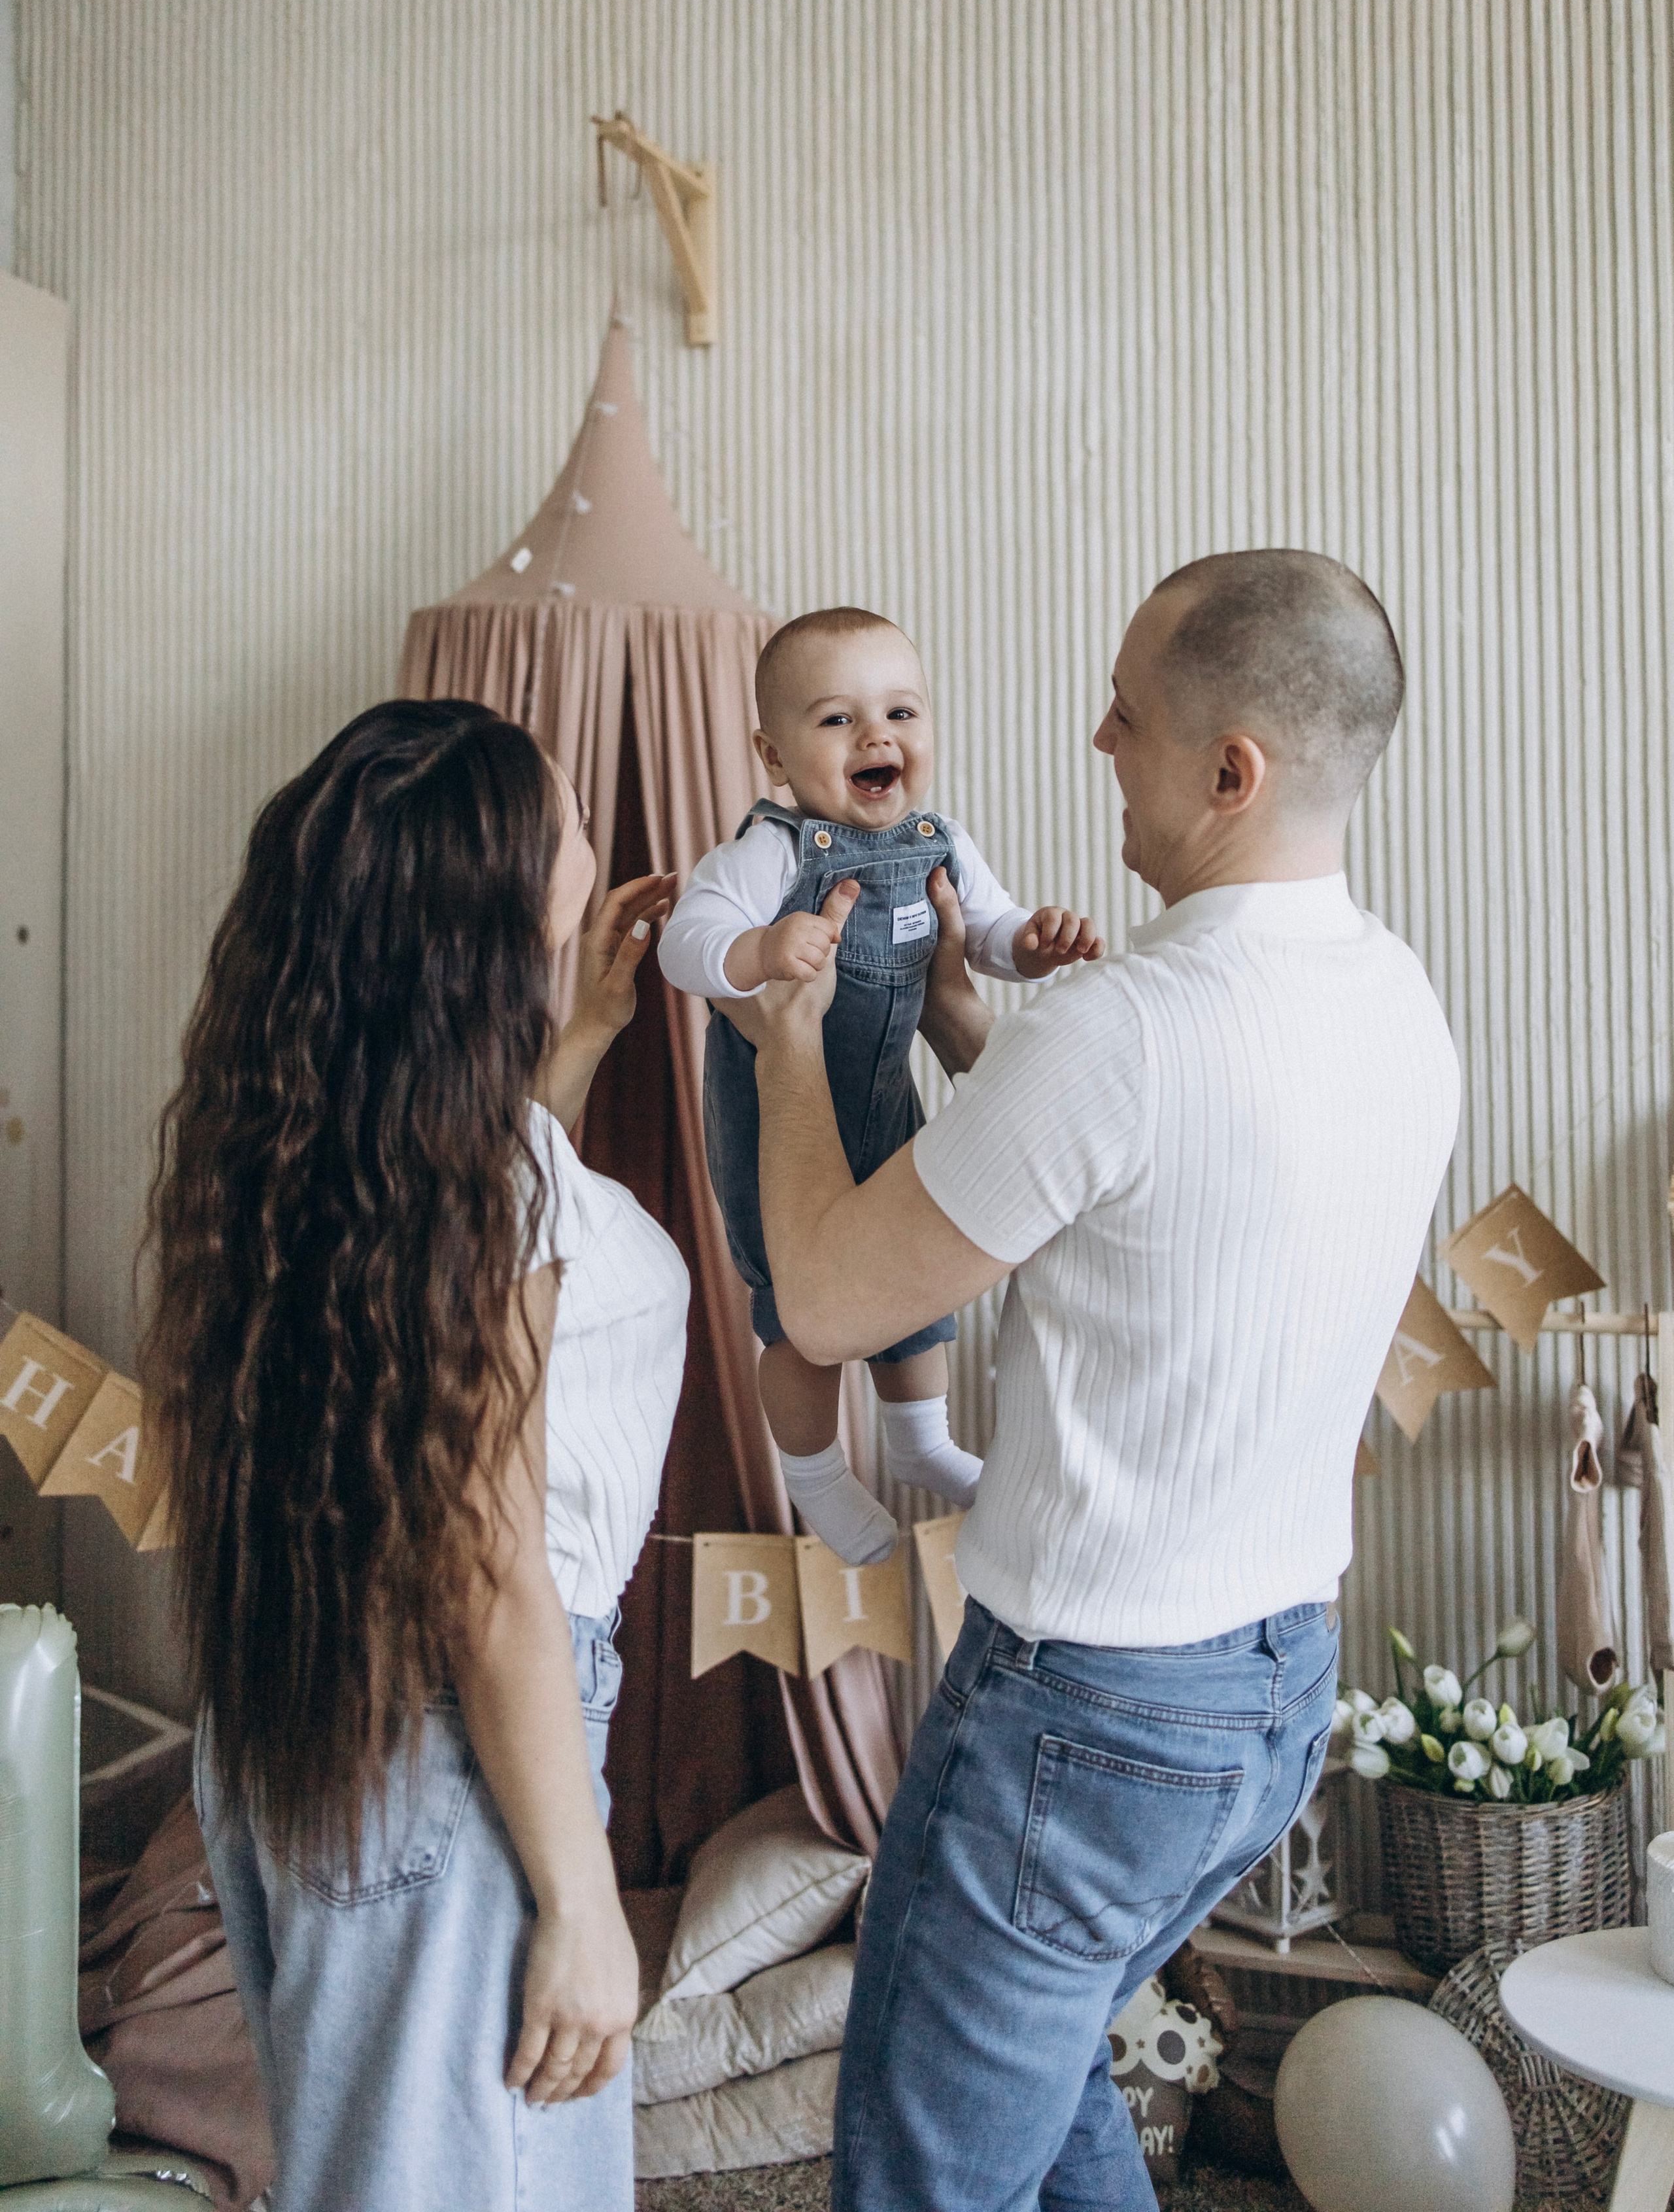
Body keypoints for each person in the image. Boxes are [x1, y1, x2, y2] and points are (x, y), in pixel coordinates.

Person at [717, 552, 1461, 2211]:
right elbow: (1138, 1191)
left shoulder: (1121, 1030)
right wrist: (977, 1030)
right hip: (1268, 1692)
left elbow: (830, 1297)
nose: (1094, 733)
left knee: (924, 2168)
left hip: (1086, 1716)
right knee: (1047, 2084)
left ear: (1229, 770)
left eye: (1127, 708)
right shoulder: (1395, 1000)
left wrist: (787, 1056)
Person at [145, 699, 684, 2212]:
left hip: (322, 1738)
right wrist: (582, 1900)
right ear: (508, 892)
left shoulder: (355, 1146)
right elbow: (488, 1560)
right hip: (461, 1746)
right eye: (574, 824)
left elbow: (486, 1308)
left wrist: (571, 1048)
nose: (594, 845)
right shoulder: (488, 1174)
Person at [659, 606, 1102, 1568]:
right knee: (802, 1317)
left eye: (902, 711)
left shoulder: (941, 840)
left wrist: (1030, 946)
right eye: (836, 720)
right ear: (772, 756)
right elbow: (682, 944)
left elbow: (982, 933)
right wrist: (760, 948)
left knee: (908, 1274)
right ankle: (816, 1477)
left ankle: (922, 1441)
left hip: (889, 1102)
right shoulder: (770, 853)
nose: (877, 736)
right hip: (774, 1110)